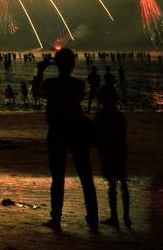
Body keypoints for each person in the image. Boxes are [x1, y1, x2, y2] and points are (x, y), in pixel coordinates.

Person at [33, 48, 99, 231]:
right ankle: (93, 218)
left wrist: (40, 71)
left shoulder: (50, 84)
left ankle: (56, 219)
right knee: (86, 176)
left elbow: (36, 93)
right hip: (78, 130)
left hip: (57, 131)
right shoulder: (78, 84)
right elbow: (77, 99)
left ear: (57, 64)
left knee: (58, 177)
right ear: (72, 64)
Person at [95, 86, 130, 227]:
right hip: (120, 149)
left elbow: (97, 134)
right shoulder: (118, 115)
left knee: (112, 185)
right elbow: (122, 132)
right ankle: (126, 216)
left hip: (108, 150)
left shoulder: (101, 115)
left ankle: (114, 216)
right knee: (123, 182)